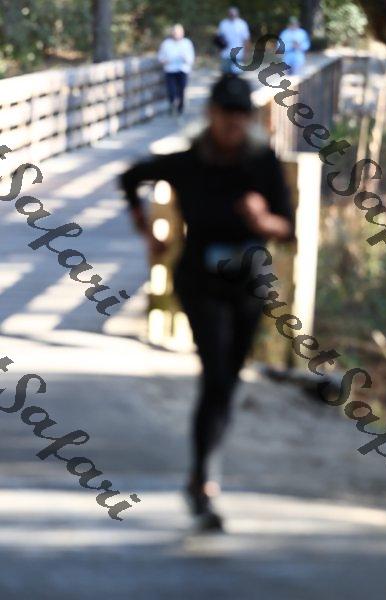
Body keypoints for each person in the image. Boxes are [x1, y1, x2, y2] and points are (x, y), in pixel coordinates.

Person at [120, 75, 294, 531]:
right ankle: (203, 481)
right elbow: (131, 176)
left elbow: (287, 228)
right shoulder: (188, 162)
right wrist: (146, 229)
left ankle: (201, 475)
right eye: (225, 115)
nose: (233, 124)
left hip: (250, 281)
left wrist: (263, 220)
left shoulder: (261, 162)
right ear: (210, 114)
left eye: (240, 117)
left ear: (249, 119)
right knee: (215, 375)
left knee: (227, 382)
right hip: (200, 278)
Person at [158, 24, 195, 115]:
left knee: (181, 90)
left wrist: (185, 58)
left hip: (183, 70)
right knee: (171, 90)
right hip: (170, 70)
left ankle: (180, 108)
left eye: (178, 33)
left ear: (182, 33)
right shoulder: (166, 44)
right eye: (174, 33)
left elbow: (191, 58)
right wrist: (165, 61)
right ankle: (172, 105)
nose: (176, 35)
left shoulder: (187, 43)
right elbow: (160, 57)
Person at [217, 7, 250, 74]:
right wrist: (219, 51)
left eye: (233, 13)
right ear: (228, 14)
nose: (232, 15)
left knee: (237, 74)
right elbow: (219, 39)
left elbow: (246, 40)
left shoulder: (242, 24)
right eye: (230, 13)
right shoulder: (223, 24)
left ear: (237, 14)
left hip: (238, 54)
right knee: (225, 73)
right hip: (225, 54)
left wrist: (246, 53)